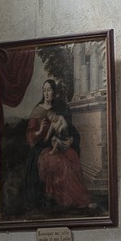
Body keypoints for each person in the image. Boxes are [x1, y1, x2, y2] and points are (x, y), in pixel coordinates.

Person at [23, 76, 92, 212]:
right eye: (45, 91)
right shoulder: (37, 110)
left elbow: (71, 130)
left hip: (59, 144)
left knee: (72, 156)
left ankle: (76, 197)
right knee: (61, 163)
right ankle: (72, 199)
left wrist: (70, 140)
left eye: (49, 90)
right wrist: (40, 131)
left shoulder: (59, 109)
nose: (47, 93)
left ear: (54, 91)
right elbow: (29, 137)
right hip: (42, 147)